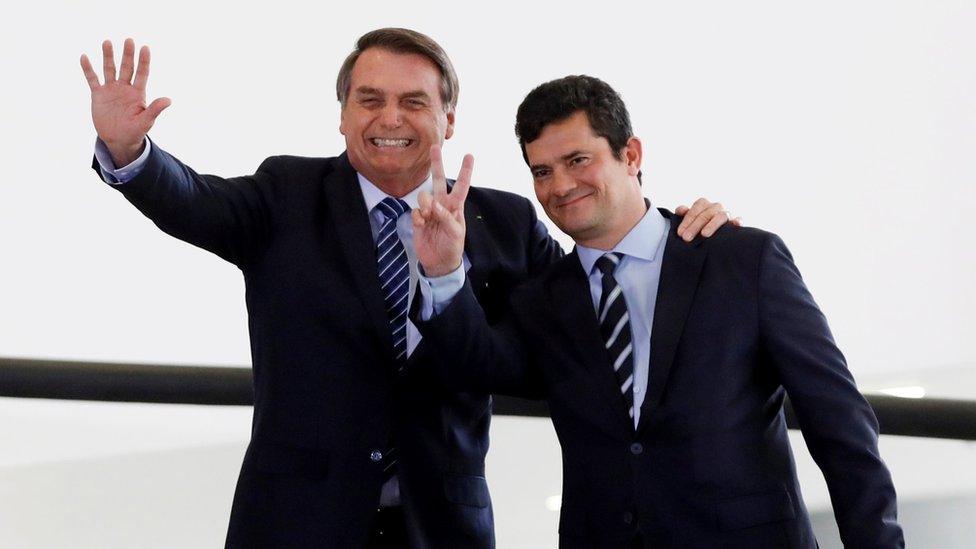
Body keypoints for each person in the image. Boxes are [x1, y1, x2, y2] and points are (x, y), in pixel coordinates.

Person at [79, 30, 734, 548]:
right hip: (295, 522)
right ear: (342, 116)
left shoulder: (503, 220)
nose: (390, 116)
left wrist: (677, 235)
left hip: (442, 526)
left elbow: (589, 313)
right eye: (370, 99)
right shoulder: (286, 194)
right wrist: (130, 154)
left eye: (414, 101)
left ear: (448, 120)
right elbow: (193, 200)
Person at [412, 75, 904, 548]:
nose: (560, 185)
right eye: (542, 171)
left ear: (631, 155)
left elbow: (839, 424)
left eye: (578, 160)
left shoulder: (741, 260)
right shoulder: (541, 299)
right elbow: (477, 363)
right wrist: (442, 270)